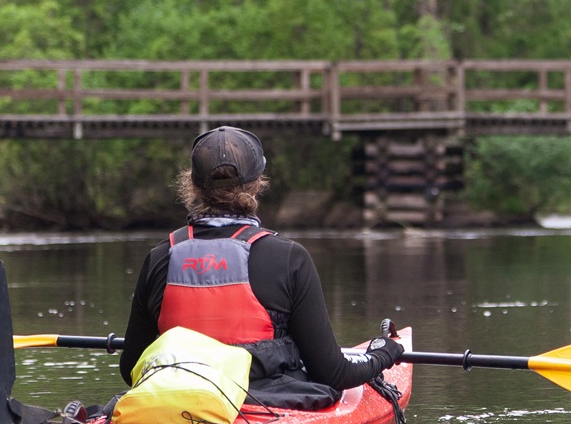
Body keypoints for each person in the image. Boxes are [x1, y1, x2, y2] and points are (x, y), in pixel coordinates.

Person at [119, 126, 404, 404]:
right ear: (256, 184)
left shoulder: (160, 257)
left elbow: (132, 368)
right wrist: (383, 354)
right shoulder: (288, 257)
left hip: (176, 403)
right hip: (264, 405)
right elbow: (333, 372)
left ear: (192, 184)